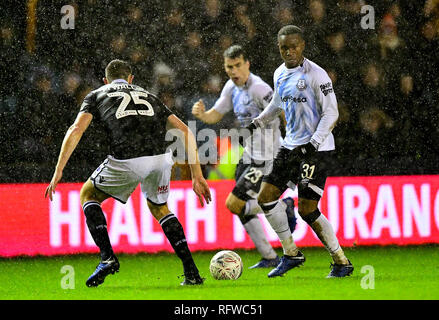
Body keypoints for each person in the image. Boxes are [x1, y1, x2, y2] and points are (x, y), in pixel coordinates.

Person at [45, 59, 211, 287]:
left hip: (129, 159)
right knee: (160, 208)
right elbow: (185, 131)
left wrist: (58, 170)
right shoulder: (149, 95)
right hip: (161, 159)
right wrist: (197, 175)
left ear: (105, 80)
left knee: (88, 195)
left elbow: (76, 129)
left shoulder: (96, 94)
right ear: (131, 79)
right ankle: (191, 272)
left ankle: (107, 258)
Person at [246, 25, 353, 278]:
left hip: (316, 149)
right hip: (291, 145)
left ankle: (341, 260)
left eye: (293, 46)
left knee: (307, 209)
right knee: (265, 198)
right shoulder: (280, 73)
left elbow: (332, 113)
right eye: (284, 47)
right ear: (279, 47)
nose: (289, 51)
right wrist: (258, 122)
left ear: (302, 45)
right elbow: (277, 103)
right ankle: (291, 253)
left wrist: (313, 143)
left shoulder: (317, 75)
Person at [192, 45, 296, 269]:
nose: (233, 71)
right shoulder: (231, 87)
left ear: (247, 64)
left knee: (233, 203)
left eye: (238, 65)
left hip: (267, 158)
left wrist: (293, 144)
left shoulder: (259, 88)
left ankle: (284, 206)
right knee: (240, 207)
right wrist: (202, 115)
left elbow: (283, 111)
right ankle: (269, 257)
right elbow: (215, 115)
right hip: (249, 156)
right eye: (229, 67)